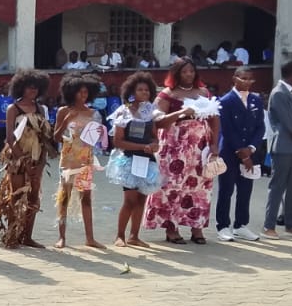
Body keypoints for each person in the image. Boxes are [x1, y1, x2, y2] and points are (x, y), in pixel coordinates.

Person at [143, 57, 220, 245]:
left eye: (191, 71)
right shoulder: (167, 95)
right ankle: (172, 228)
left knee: (200, 187)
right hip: (174, 147)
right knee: (172, 186)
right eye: (184, 71)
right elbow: (158, 121)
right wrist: (180, 113)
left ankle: (197, 227)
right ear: (176, 73)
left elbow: (214, 119)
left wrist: (214, 144)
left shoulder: (204, 92)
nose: (189, 75)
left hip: (199, 147)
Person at [0, 69, 55, 249]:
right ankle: (12, 235)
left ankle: (27, 236)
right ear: (21, 88)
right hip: (17, 159)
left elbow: (44, 137)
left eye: (36, 88)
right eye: (29, 87)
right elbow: (10, 138)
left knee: (33, 198)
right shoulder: (13, 109)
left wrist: (41, 162)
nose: (33, 91)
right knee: (16, 196)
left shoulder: (41, 109)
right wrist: (22, 160)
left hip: (37, 157)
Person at [106, 72, 167, 247]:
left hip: (147, 161)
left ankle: (134, 236)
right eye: (140, 89)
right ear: (132, 92)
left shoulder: (150, 113)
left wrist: (154, 144)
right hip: (129, 160)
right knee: (130, 200)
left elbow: (155, 136)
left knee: (141, 199)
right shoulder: (123, 111)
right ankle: (120, 236)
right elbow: (118, 141)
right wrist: (141, 147)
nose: (144, 92)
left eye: (147, 90)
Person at [53, 72, 107, 249]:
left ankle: (90, 238)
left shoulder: (93, 113)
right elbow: (56, 137)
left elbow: (96, 139)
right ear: (71, 92)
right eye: (79, 92)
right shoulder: (63, 111)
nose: (83, 95)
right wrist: (66, 121)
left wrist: (100, 134)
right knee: (64, 198)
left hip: (85, 161)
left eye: (85, 92)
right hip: (67, 161)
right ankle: (61, 237)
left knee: (86, 198)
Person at [214, 67, 266, 242]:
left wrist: (251, 148)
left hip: (249, 151)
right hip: (230, 152)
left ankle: (241, 225)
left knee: (245, 189)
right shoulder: (226, 101)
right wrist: (242, 153)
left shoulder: (255, 99)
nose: (247, 82)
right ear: (234, 79)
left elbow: (260, 126)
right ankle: (223, 226)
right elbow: (227, 129)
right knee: (226, 189)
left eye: (250, 79)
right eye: (243, 78)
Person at [262, 61, 292, 239]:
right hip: (283, 146)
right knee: (277, 186)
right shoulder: (279, 93)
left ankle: (291, 223)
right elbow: (289, 122)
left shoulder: (289, 93)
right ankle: (269, 225)